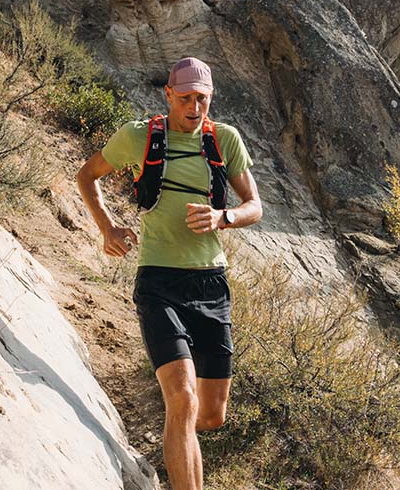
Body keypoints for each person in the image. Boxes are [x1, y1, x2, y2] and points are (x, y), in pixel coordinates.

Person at [76, 56, 262, 490]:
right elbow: (87, 176)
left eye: (202, 99)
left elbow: (255, 205)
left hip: (211, 283)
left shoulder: (225, 140)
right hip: (158, 281)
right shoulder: (139, 137)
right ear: (169, 95)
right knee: (182, 398)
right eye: (186, 99)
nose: (194, 108)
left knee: (210, 414)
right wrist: (107, 228)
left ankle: (174, 443)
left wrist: (224, 218)